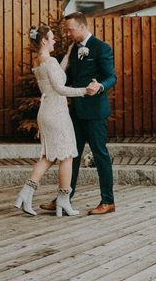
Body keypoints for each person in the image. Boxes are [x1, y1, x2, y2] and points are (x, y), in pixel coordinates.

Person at [14, 25, 96, 217]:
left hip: (47, 110)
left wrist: (67, 55)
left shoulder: (41, 60)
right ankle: (63, 200)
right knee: (67, 155)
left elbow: (56, 75)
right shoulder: (49, 61)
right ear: (44, 40)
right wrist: (85, 91)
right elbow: (60, 88)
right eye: (52, 38)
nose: (55, 40)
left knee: (49, 156)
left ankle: (25, 194)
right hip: (56, 111)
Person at [40, 12, 117, 215]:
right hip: (76, 111)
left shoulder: (102, 48)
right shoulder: (73, 50)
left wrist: (100, 85)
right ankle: (64, 199)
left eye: (70, 29)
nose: (67, 33)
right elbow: (67, 77)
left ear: (82, 27)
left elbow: (111, 76)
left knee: (100, 155)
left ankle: (108, 201)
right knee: (71, 155)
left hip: (95, 111)